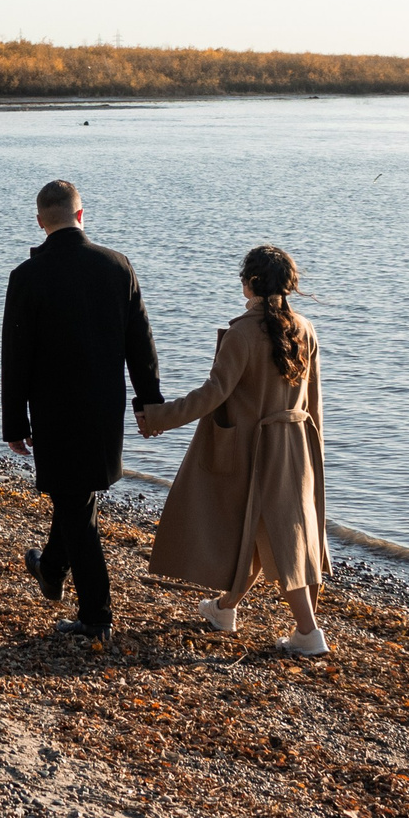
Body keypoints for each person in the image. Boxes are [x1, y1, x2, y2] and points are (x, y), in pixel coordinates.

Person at [136, 244, 330, 656]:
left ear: (251, 283)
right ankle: (225, 609)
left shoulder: (244, 333)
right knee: (267, 535)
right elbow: (313, 402)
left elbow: (213, 394)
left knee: (277, 539)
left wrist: (158, 418)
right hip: (295, 445)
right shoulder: (306, 329)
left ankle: (309, 634)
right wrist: (316, 454)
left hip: (252, 451)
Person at [1, 179, 164, 638]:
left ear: (40, 222)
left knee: (74, 503)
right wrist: (148, 403)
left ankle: (97, 617)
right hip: (104, 410)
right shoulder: (117, 266)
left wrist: (15, 421)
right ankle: (51, 567)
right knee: (76, 498)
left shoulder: (26, 276)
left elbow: (16, 356)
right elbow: (142, 344)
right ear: (80, 215)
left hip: (54, 412)